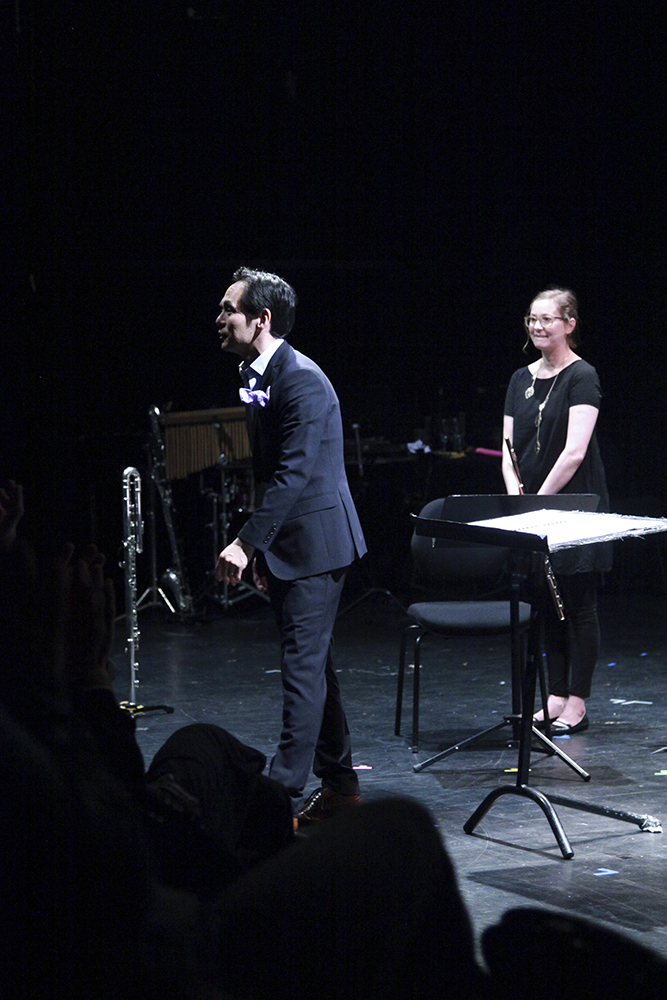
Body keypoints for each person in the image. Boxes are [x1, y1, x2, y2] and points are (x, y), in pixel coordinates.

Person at [214, 268, 367, 823]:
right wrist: (266, 550)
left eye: (228, 308)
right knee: (314, 666)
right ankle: (342, 787)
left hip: (318, 544)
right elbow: (267, 469)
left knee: (301, 671)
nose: (219, 318)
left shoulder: (301, 379)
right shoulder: (257, 372)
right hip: (292, 544)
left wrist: (246, 543)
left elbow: (294, 474)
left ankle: (277, 801)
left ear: (261, 319)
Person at [502, 287, 612, 734]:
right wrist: (518, 502)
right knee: (546, 604)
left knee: (578, 604)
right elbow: (508, 450)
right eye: (532, 319)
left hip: (573, 505)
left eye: (547, 319)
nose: (537, 326)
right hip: (531, 508)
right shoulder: (519, 378)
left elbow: (574, 452)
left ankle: (577, 702)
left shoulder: (582, 376)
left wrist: (538, 502)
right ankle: (554, 696)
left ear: (569, 324)